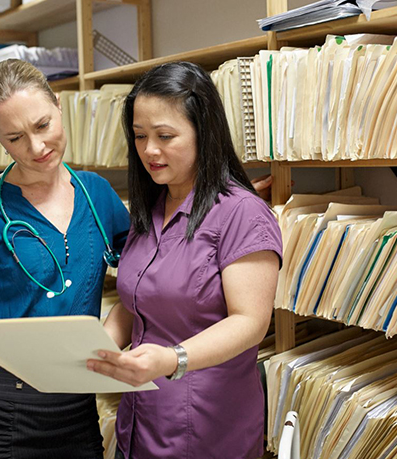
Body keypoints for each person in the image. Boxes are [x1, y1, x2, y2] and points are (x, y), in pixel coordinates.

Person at [0, 59, 130, 459]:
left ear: (58, 105)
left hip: (75, 402)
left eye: (42, 126)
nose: (37, 148)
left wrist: (109, 338)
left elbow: (148, 275)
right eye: (15, 137)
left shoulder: (97, 193)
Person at [88, 61, 283, 459]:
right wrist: (99, 347)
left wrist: (173, 358)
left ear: (203, 134)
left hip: (207, 422)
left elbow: (250, 321)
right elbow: (138, 299)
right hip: (141, 416)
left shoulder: (241, 213)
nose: (149, 150)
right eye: (140, 136)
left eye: (165, 136)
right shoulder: (150, 206)